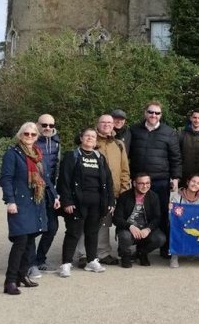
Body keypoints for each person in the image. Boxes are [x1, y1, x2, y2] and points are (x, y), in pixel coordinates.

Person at [0, 122, 57, 295]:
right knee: (20, 241)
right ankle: (10, 281)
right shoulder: (12, 154)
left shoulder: (38, 155)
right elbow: (6, 179)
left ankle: (22, 275)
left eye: (33, 134)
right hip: (20, 202)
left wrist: (55, 197)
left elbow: (45, 179)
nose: (30, 137)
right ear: (20, 135)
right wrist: (10, 201)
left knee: (31, 238)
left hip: (36, 202)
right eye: (27, 134)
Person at [57, 128, 115, 277]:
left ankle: (91, 261)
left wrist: (110, 201)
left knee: (92, 232)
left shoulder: (100, 158)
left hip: (97, 203)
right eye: (87, 136)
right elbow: (64, 181)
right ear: (81, 138)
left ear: (96, 141)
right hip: (76, 203)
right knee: (73, 232)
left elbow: (108, 181)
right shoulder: (72, 156)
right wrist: (67, 201)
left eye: (93, 136)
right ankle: (66, 263)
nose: (90, 138)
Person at [128, 101, 182, 257]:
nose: (154, 115)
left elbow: (175, 157)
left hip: (160, 180)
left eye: (157, 113)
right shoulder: (134, 130)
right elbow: (126, 154)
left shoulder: (169, 132)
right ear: (145, 113)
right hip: (137, 181)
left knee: (163, 214)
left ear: (161, 115)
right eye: (151, 112)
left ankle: (165, 248)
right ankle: (136, 247)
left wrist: (176, 178)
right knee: (136, 213)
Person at [76, 113, 130, 266]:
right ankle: (84, 254)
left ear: (114, 125)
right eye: (103, 122)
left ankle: (103, 252)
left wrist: (124, 189)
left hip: (112, 191)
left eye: (109, 122)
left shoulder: (118, 144)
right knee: (87, 223)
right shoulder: (91, 140)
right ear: (97, 124)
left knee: (105, 223)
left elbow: (124, 169)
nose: (106, 125)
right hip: (91, 190)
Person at [27, 113, 60, 276]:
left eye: (50, 125)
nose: (47, 128)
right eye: (44, 125)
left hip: (50, 191)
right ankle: (30, 263)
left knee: (52, 227)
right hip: (33, 191)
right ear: (37, 124)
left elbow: (56, 169)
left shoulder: (57, 142)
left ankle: (40, 259)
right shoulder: (30, 141)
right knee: (32, 228)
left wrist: (56, 194)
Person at [114, 174, 166, 268]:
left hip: (145, 228)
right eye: (141, 183)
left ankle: (142, 252)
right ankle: (125, 255)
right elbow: (117, 218)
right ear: (134, 183)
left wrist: (148, 229)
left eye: (147, 183)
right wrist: (130, 226)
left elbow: (157, 217)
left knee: (160, 238)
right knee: (124, 236)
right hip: (129, 228)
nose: (145, 186)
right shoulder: (124, 196)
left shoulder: (154, 196)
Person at [168, 174, 199, 268]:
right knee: (174, 226)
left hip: (196, 225)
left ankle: (193, 251)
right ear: (188, 182)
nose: (195, 184)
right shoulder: (176, 197)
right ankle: (174, 255)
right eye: (193, 181)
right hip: (180, 225)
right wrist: (170, 210)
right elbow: (171, 217)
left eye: (198, 183)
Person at [180, 109, 199, 187]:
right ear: (191, 118)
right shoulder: (181, 135)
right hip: (184, 176)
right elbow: (177, 156)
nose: (197, 120)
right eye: (195, 117)